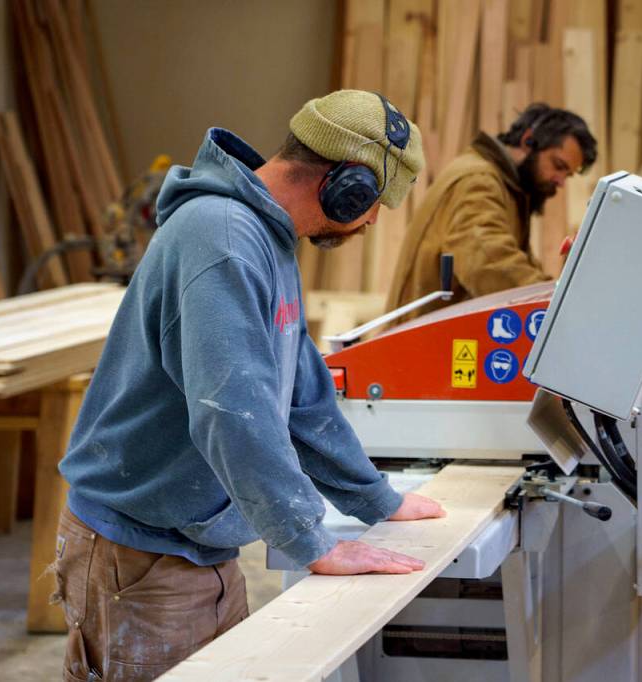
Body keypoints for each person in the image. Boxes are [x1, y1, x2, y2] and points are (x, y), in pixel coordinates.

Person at [54, 89, 444, 681]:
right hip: (139, 553)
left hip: (197, 542)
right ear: (348, 186)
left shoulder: (267, 237)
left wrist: (374, 499)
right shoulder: (224, 240)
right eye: (374, 205)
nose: (370, 222)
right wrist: (312, 541)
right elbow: (233, 411)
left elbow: (301, 394)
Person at [387, 103, 597, 319]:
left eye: (567, 175)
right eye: (558, 165)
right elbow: (488, 262)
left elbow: (515, 263)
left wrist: (558, 288)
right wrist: (555, 304)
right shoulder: (478, 179)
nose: (560, 182)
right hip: (421, 336)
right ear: (528, 141)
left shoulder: (507, 187)